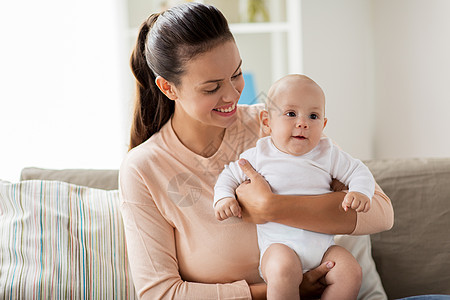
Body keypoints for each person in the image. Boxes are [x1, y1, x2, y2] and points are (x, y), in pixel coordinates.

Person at [119, 2, 394, 299]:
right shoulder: (144, 168)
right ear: (168, 87)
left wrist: (272, 207)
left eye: (236, 74)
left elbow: (381, 214)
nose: (231, 95)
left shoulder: (277, 121)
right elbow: (160, 294)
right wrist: (279, 287)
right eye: (211, 87)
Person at [213, 74, 374, 299]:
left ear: (324, 124)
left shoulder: (328, 153)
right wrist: (223, 198)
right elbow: (229, 175)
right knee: (283, 270)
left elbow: (359, 171)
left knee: (351, 271)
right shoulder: (261, 154)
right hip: (279, 247)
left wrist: (360, 191)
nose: (303, 123)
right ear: (267, 122)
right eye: (291, 114)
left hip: (323, 249)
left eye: (314, 116)